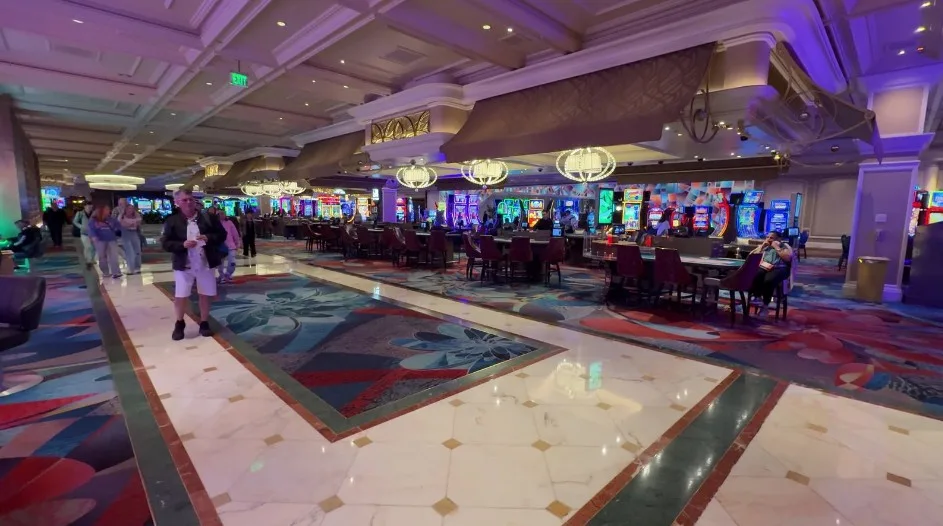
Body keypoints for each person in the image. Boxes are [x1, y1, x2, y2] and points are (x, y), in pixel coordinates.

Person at [162, 189, 227, 340]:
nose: (189, 202)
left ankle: (204, 322)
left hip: (205, 262)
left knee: (205, 293)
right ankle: (179, 323)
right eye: (184, 200)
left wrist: (208, 237)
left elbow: (222, 235)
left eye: (191, 199)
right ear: (177, 203)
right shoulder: (172, 221)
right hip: (184, 264)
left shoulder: (208, 218)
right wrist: (182, 244)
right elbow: (165, 243)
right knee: (181, 295)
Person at [750, 231, 794, 317]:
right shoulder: (765, 247)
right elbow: (752, 256)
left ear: (778, 239)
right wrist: (762, 247)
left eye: (771, 238)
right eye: (767, 237)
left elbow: (787, 258)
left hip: (780, 268)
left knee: (768, 280)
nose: (768, 239)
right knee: (755, 274)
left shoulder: (784, 246)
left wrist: (776, 247)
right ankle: (757, 296)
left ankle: (765, 306)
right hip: (765, 267)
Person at [87, 206, 122, 279]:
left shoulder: (112, 219)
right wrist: (93, 236)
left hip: (111, 239)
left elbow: (119, 226)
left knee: (114, 256)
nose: (108, 211)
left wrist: (117, 230)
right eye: (107, 210)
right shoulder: (93, 220)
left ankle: (116, 272)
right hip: (100, 240)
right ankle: (105, 272)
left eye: (109, 210)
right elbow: (91, 229)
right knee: (102, 257)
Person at [119, 205, 143, 274]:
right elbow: (123, 224)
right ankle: (130, 268)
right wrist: (132, 223)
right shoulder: (122, 216)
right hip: (126, 234)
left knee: (137, 251)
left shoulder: (136, 215)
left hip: (134, 233)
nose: (130, 210)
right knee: (129, 252)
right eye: (129, 208)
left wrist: (131, 223)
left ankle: (137, 268)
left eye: (132, 209)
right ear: (126, 209)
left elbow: (138, 222)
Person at [217, 210, 241, 283]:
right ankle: (221, 276)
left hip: (231, 246)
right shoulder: (215, 223)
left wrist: (237, 243)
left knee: (232, 262)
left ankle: (228, 274)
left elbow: (235, 234)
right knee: (220, 263)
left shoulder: (229, 223)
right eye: (220, 214)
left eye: (223, 213)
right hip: (220, 247)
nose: (222, 215)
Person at [73, 203, 95, 268]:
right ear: (85, 207)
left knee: (93, 248)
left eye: (91, 207)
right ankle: (88, 260)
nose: (89, 208)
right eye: (88, 207)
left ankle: (91, 258)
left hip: (93, 233)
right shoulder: (80, 213)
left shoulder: (94, 214)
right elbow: (75, 221)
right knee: (88, 246)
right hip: (84, 233)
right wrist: (81, 226)